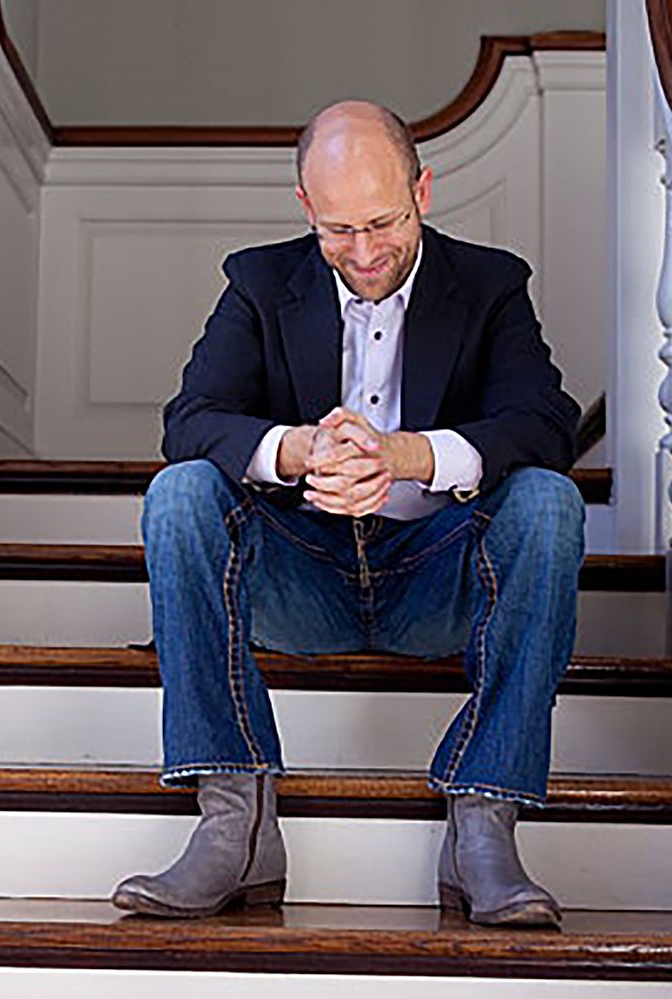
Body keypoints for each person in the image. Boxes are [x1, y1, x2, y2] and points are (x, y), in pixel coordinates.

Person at [110, 100, 584, 927]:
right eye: (338, 230)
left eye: (383, 222)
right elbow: (189, 420)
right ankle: (234, 821)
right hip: (305, 579)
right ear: (305, 207)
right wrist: (298, 449)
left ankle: (484, 820)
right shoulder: (258, 282)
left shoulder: (491, 283)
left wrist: (407, 455)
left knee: (549, 502)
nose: (364, 253)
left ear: (422, 191)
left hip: (438, 581)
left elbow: (546, 425)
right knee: (179, 493)